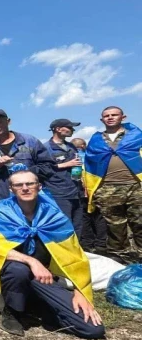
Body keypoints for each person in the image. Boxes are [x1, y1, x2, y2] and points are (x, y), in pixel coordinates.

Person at [0, 171, 104, 339]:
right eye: (19, 185)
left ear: (39, 187)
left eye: (30, 184)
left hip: (43, 278)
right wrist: (31, 261)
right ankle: (12, 312)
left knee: (93, 329)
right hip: (14, 274)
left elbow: (75, 255)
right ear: (11, 189)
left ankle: (38, 306)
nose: (25, 188)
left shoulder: (54, 215)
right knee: (19, 270)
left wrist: (80, 290)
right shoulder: (0, 213)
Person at [84, 106, 142, 263]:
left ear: (123, 117)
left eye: (114, 115)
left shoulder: (136, 135)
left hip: (137, 187)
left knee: (140, 224)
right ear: (102, 120)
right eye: (106, 115)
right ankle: (120, 262)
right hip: (107, 188)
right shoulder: (96, 140)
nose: (110, 117)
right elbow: (88, 165)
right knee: (115, 228)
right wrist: (90, 189)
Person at [0, 109, 55, 204]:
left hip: (32, 199)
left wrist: (25, 173)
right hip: (4, 203)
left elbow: (49, 167)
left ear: (8, 121)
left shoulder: (30, 141)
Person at [45, 119, 85, 236]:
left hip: (76, 191)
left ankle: (76, 250)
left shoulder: (70, 146)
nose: (72, 130)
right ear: (57, 129)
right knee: (63, 225)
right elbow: (42, 169)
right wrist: (66, 164)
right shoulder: (46, 148)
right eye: (69, 127)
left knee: (78, 224)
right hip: (59, 193)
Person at [73, 137, 107, 254]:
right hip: (96, 190)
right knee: (99, 217)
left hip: (81, 192)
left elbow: (76, 177)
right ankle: (101, 244)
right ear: (84, 146)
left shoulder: (75, 158)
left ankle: (88, 244)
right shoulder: (93, 156)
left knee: (84, 218)